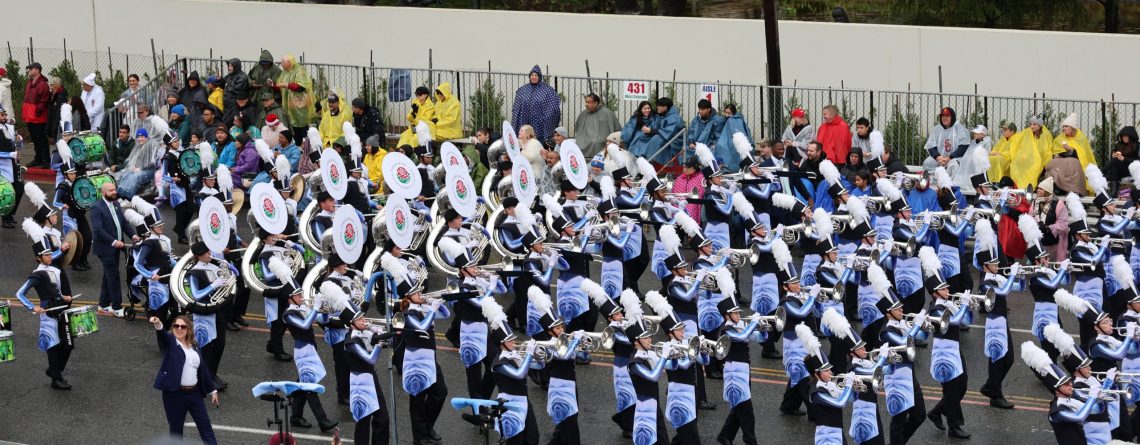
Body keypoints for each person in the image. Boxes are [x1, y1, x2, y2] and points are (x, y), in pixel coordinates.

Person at [15, 223, 75, 389]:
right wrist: (32, 307)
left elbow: (57, 292)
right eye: (46, 255)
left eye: (50, 254)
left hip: (61, 310)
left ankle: (54, 370)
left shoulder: (56, 271)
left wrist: (65, 297)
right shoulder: (36, 274)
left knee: (69, 344)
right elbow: (20, 293)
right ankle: (56, 378)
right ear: (39, 258)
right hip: (48, 313)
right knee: (53, 344)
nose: (49, 257)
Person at [921, 246, 972, 439]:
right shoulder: (935, 309)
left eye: (947, 286)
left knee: (962, 385)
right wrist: (964, 304)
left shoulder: (948, 302)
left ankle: (936, 411)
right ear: (935, 293)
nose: (948, 289)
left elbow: (966, 321)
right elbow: (956, 320)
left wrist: (963, 304)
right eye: (943, 288)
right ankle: (955, 426)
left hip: (954, 349)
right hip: (943, 354)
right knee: (952, 389)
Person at [149, 315, 219, 445]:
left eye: (183, 326)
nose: (179, 329)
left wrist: (212, 390)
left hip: (194, 394)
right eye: (176, 326)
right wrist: (158, 323)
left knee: (206, 427)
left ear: (188, 329)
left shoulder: (195, 347)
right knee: (176, 432)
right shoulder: (171, 343)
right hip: (175, 395)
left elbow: (202, 369)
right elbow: (162, 334)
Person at [715, 290, 763, 445]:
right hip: (734, 372)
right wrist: (753, 323)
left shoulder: (740, 325)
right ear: (727, 315)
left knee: (740, 406)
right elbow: (741, 337)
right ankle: (750, 441)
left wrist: (762, 329)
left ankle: (724, 435)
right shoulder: (725, 330)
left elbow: (757, 337)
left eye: (738, 312)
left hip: (744, 370)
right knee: (747, 411)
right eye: (735, 313)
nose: (738, 315)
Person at [185, 241, 234, 390]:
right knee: (206, 347)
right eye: (207, 253)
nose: (210, 255)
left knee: (220, 344)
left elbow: (233, 277)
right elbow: (196, 295)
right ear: (199, 256)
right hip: (204, 313)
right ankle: (205, 378)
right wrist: (214, 285)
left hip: (217, 309)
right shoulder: (194, 272)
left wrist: (230, 269)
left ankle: (212, 374)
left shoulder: (213, 266)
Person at [343, 305, 391, 445]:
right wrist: (379, 344)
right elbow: (371, 359)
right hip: (360, 383)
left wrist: (383, 333)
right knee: (363, 421)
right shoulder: (351, 341)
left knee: (383, 418)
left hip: (371, 378)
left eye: (363, 317)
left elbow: (378, 338)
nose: (364, 321)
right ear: (352, 324)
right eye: (360, 319)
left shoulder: (363, 333)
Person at [91, 182, 136, 317]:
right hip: (105, 248)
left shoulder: (116, 204)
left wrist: (133, 235)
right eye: (111, 190)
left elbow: (123, 223)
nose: (114, 192)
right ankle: (116, 307)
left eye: (114, 189)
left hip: (117, 246)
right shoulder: (96, 208)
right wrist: (113, 241)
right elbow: (98, 229)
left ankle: (104, 304)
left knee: (108, 275)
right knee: (113, 276)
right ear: (103, 192)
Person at [52, 155, 91, 271]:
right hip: (69, 215)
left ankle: (83, 259)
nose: (74, 175)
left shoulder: (78, 183)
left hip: (79, 215)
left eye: (74, 173)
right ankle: (75, 262)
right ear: (65, 174)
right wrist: (62, 205)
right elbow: (55, 202)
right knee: (75, 241)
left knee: (88, 237)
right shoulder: (62, 187)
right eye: (71, 173)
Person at [512, 65, 560, 144]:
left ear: (539, 77)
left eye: (536, 75)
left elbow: (553, 107)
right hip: (523, 121)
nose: (533, 77)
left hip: (539, 123)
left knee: (537, 144)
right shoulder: (523, 90)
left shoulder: (547, 90)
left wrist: (546, 118)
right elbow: (516, 108)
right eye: (532, 75)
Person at [276, 55, 314, 147]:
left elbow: (301, 87)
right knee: (293, 128)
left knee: (302, 129)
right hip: (289, 106)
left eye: (283, 63)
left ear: (289, 62)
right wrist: (273, 85)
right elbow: (280, 84)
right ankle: (295, 148)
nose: (281, 65)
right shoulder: (285, 72)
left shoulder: (300, 70)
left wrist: (288, 85)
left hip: (300, 105)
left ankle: (305, 149)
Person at [573, 93, 622, 158]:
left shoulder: (607, 113)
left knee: (595, 142)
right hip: (583, 139)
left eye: (588, 102)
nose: (586, 104)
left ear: (596, 103)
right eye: (586, 102)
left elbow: (617, 130)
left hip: (601, 141)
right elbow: (577, 130)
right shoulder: (583, 114)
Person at [23, 63, 51, 168]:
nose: (29, 70)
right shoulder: (29, 82)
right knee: (35, 140)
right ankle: (38, 159)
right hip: (29, 117)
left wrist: (37, 111)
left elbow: (44, 100)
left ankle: (46, 161)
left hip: (38, 118)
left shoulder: (43, 84)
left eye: (30, 69)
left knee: (41, 140)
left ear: (37, 70)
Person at [0, 106, 24, 228]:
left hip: (13, 164)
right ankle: (5, 218)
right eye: (2, 115)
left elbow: (18, 146)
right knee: (6, 193)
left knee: (20, 189)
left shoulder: (9, 127)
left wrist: (19, 141)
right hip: (2, 167)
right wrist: (10, 154)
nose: (4, 117)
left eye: (4, 114)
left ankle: (10, 215)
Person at [1106, 126, 1139, 195]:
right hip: (1120, 170)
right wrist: (1113, 156)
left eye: (1126, 136)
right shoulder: (1119, 145)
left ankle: (1103, 171)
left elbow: (1137, 162)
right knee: (1114, 168)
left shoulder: (1137, 145)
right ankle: (1114, 192)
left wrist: (1124, 159)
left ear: (1131, 136)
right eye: (1123, 136)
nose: (1124, 138)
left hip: (1131, 170)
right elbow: (1113, 160)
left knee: (1116, 162)